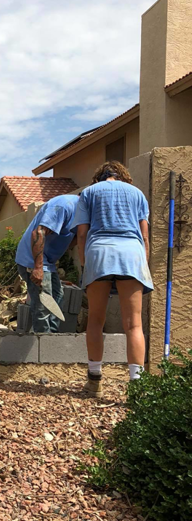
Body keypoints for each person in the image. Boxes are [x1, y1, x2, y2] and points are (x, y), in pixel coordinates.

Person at [71, 160, 153, 396]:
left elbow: (82, 233)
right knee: (134, 324)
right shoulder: (137, 194)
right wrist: (143, 265)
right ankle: (137, 389)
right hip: (131, 254)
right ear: (124, 176)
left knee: (96, 320)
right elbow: (144, 235)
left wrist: (86, 264)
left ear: (99, 177)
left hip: (99, 253)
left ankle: (94, 382)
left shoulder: (88, 193)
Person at [15, 194, 80, 333]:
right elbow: (38, 233)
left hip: (47, 262)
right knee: (42, 307)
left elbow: (73, 239)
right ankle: (43, 343)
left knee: (57, 298)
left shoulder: (83, 214)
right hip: (33, 260)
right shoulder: (64, 205)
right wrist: (37, 268)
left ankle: (51, 339)